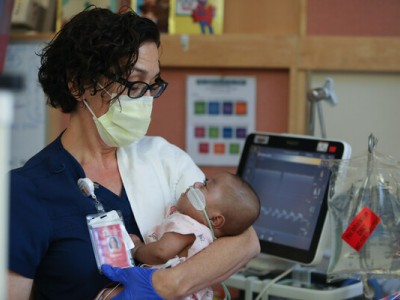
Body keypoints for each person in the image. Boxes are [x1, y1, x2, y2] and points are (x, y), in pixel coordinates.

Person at [7, 7, 260, 300]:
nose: (147, 99)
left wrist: (166, 285)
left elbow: (245, 239)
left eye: (153, 85)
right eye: (135, 82)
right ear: (78, 84)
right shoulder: (26, 191)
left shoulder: (163, 159)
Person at [108, 172, 260, 299]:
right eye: (203, 181)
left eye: (205, 186)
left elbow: (161, 253)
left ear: (215, 219)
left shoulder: (187, 225)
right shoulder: (209, 238)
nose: (196, 184)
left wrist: (137, 249)